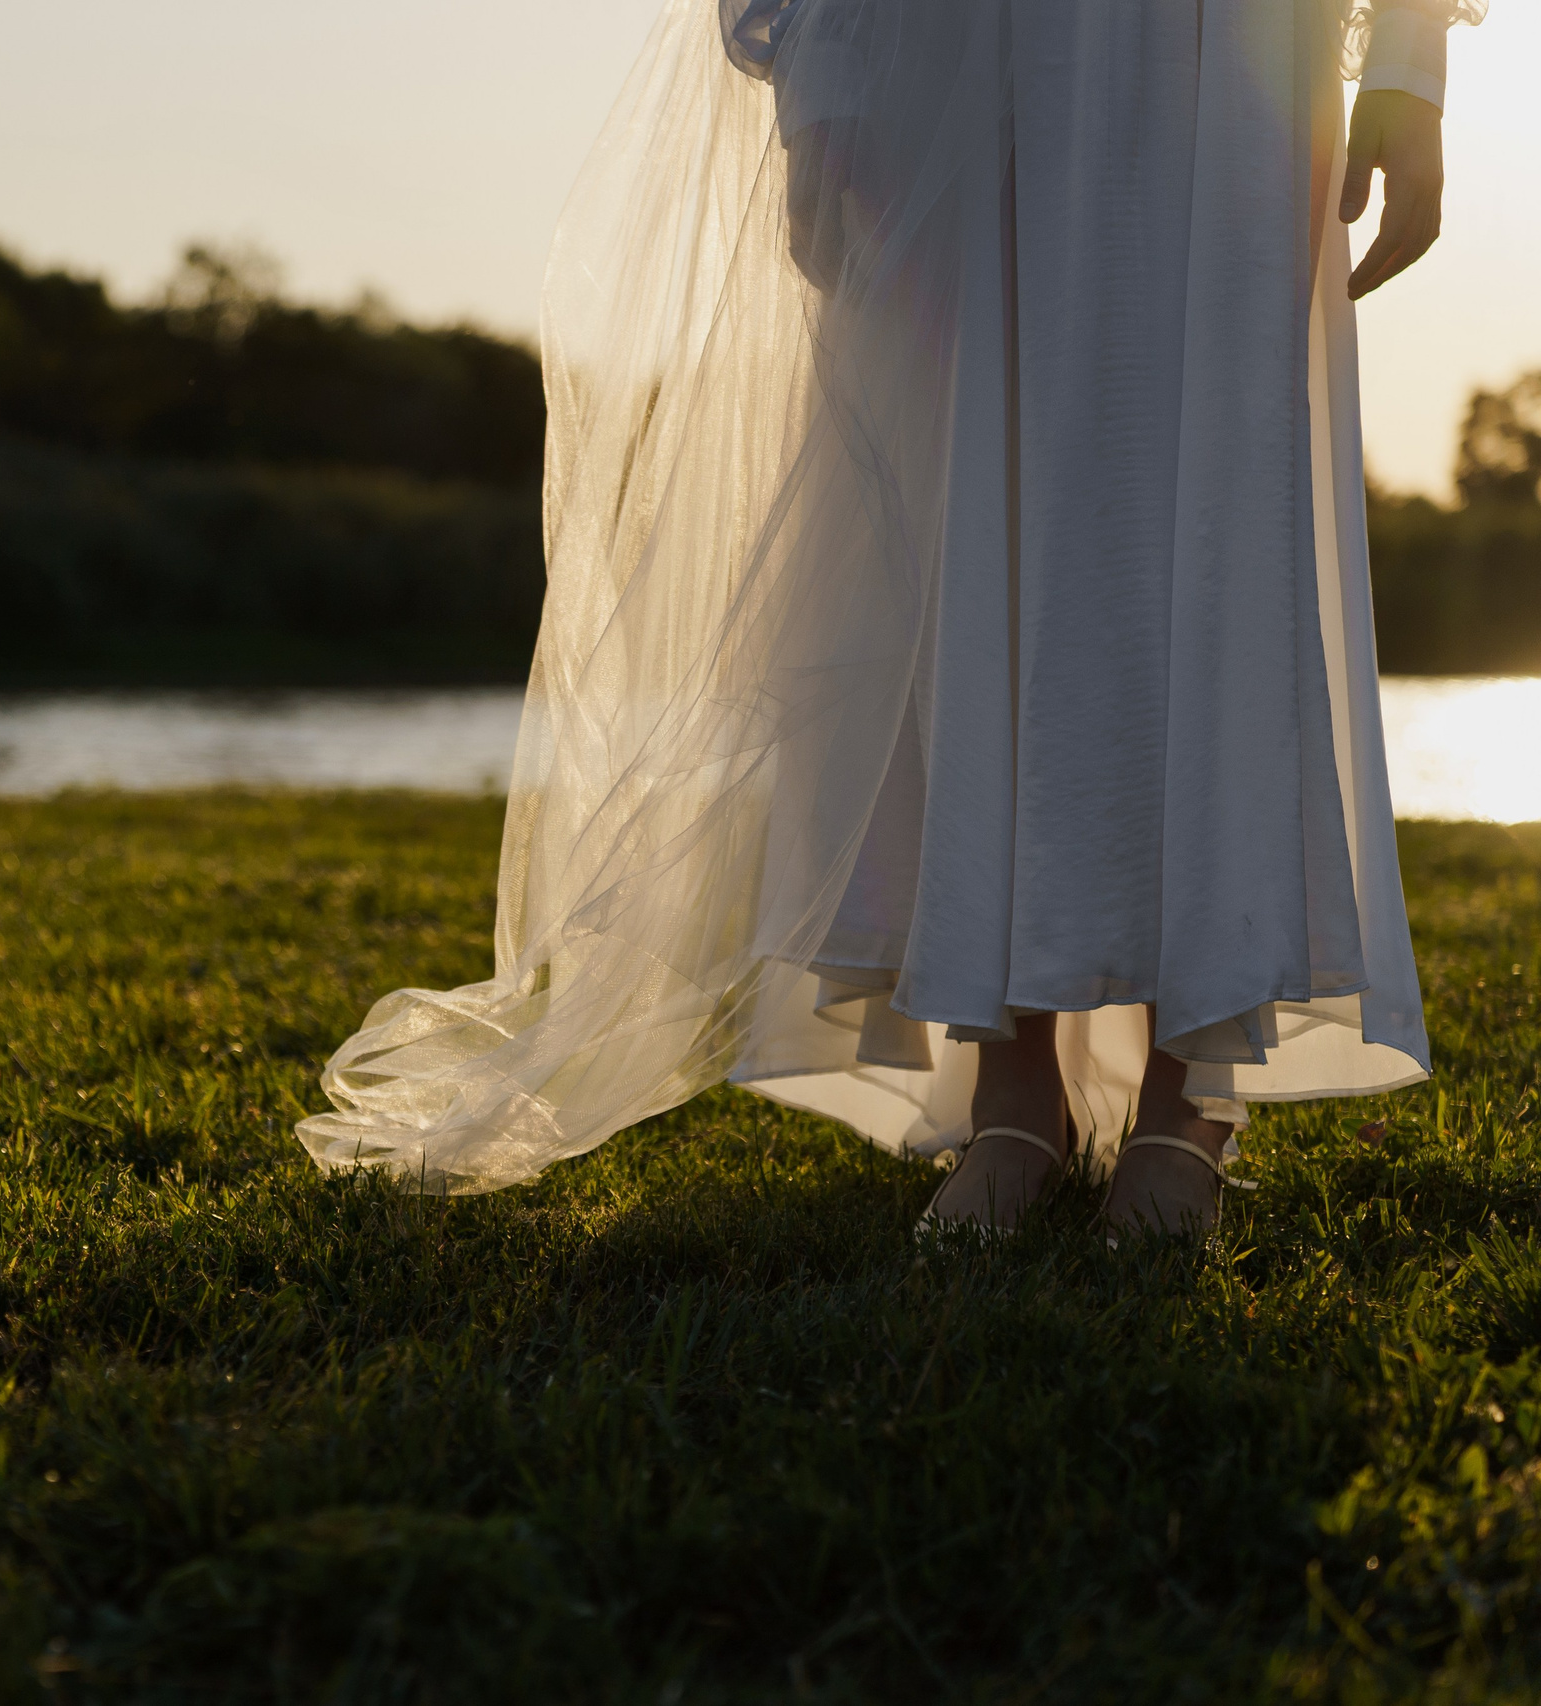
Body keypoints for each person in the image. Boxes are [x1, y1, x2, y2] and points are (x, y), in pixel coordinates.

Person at [295, 0, 1480, 1238]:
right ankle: (1016, 1087)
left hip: (1233, 42)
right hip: (968, 41)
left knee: (1204, 519)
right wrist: (824, 78)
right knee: (977, 513)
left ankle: (1191, 1086)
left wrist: (1408, 58)